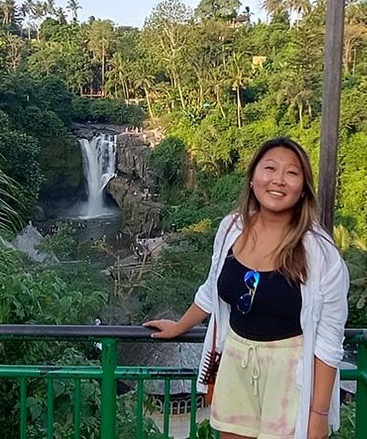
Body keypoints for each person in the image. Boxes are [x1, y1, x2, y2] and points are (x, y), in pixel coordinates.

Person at [144, 137, 349, 439]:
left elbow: (329, 341)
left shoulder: (319, 252)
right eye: (270, 168)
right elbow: (212, 288)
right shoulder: (231, 229)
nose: (278, 180)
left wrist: (318, 414)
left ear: (303, 188)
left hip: (289, 371)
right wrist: (179, 326)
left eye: (292, 173)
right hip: (236, 358)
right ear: (253, 179)